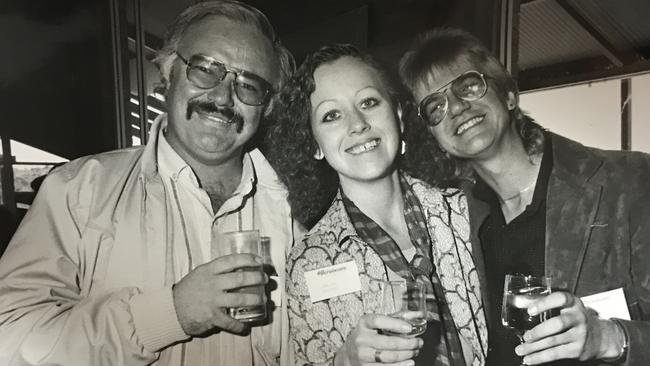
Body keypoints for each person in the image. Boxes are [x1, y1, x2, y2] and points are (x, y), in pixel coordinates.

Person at [0, 1, 299, 365]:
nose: (223, 97)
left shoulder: (297, 210)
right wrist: (170, 314)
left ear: (267, 107)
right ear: (167, 74)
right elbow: (10, 340)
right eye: (205, 70)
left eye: (249, 85)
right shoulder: (78, 192)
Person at [398, 27, 650, 365]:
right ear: (437, 139)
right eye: (435, 106)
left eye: (469, 86)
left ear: (509, 96)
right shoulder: (455, 224)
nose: (456, 106)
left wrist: (609, 338)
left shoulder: (628, 181)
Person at [265, 43, 488, 366]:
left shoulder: (468, 214)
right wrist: (343, 362)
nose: (357, 124)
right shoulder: (308, 264)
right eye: (331, 115)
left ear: (397, 115)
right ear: (314, 144)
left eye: (368, 102)